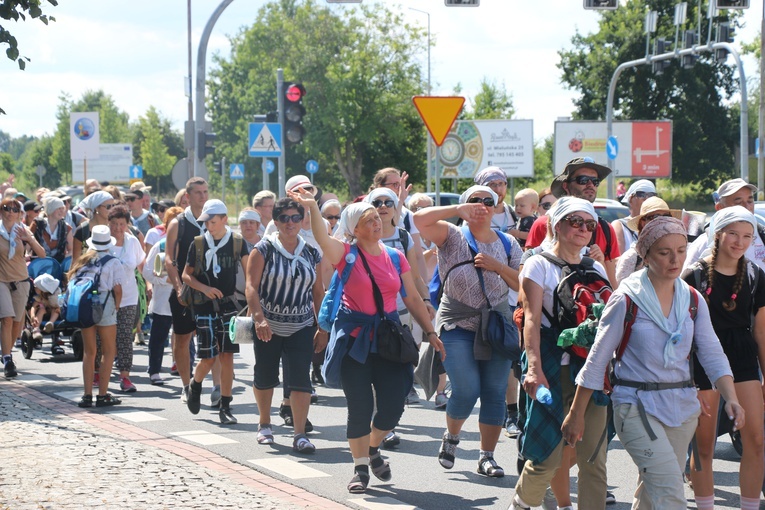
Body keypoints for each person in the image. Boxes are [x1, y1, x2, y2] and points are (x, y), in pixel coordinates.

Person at [560, 216, 745, 510]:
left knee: (652, 494)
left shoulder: (693, 299)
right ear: (645, 254)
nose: (675, 259)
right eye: (664, 252)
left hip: (683, 408)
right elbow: (598, 358)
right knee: (671, 490)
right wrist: (576, 413)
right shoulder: (625, 299)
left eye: (682, 250)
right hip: (635, 405)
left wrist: (731, 398)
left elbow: (711, 353)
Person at [298, 194, 444, 494]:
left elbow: (412, 298)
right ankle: (361, 467)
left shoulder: (395, 256)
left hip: (388, 339)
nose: (377, 222)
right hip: (354, 341)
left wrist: (430, 332)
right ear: (354, 228)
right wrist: (312, 206)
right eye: (368, 220)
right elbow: (321, 237)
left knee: (392, 407)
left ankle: (373, 446)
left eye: (377, 218)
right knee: (360, 407)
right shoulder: (345, 254)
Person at [414, 185, 522, 478]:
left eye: (488, 200)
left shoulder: (509, 243)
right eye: (475, 200)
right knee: (466, 388)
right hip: (457, 323)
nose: (482, 205)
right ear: (465, 205)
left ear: (496, 205)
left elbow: (521, 284)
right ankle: (451, 437)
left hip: (496, 325)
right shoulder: (451, 234)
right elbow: (419, 219)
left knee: (495, 392)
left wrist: (497, 266)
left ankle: (487, 457)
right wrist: (455, 211)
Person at [510, 197, 609, 510]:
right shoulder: (537, 264)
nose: (582, 229)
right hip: (551, 370)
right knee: (547, 455)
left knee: (593, 458)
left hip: (590, 372)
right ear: (556, 224)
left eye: (589, 224)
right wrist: (533, 369)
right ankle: (521, 505)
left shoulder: (595, 267)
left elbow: (611, 317)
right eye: (575, 222)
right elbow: (531, 321)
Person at [682, 207, 764, 510]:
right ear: (718, 233)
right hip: (703, 359)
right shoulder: (694, 274)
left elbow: (762, 332)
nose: (739, 241)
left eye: (747, 236)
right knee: (704, 445)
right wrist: (687, 380)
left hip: (743, 357)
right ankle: (705, 505)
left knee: (755, 440)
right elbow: (684, 330)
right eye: (733, 233)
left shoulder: (756, 275)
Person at [246, 197, 323, 452]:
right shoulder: (263, 249)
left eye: (295, 218)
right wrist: (259, 318)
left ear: (302, 221)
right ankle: (265, 423)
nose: (290, 223)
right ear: (276, 221)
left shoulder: (312, 252)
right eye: (284, 218)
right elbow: (251, 287)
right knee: (265, 375)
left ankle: (300, 434)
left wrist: (321, 326)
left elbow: (318, 292)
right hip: (269, 324)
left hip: (301, 325)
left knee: (301, 380)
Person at [183, 199, 249, 425]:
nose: (209, 226)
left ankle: (225, 406)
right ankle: (195, 384)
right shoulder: (199, 244)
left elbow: (250, 276)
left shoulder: (238, 242)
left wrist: (253, 304)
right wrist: (205, 288)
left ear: (224, 219)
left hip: (229, 305)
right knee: (209, 357)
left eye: (212, 221)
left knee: (227, 355)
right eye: (206, 222)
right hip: (203, 305)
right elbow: (186, 275)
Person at [525, 157, 620, 285]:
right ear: (566, 186)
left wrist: (599, 264)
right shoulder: (542, 224)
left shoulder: (606, 229)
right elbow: (525, 281)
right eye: (583, 180)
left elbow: (612, 286)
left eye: (595, 181)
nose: (590, 185)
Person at [165, 177, 209, 402]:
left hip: (209, 291)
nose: (203, 196)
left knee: (213, 340)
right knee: (182, 339)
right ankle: (186, 385)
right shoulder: (178, 223)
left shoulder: (215, 221)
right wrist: (179, 287)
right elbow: (169, 259)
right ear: (188, 196)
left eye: (205, 191)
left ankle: (210, 384)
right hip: (185, 290)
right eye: (198, 192)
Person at [70, 224, 124, 408]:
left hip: (85, 305)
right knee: (109, 351)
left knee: (89, 351)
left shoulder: (83, 260)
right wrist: (116, 306)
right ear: (108, 243)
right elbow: (117, 289)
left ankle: (86, 395)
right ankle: (102, 395)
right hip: (105, 304)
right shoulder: (113, 261)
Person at [0, 198, 45, 377]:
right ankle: (8, 359)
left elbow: (42, 254)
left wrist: (29, 240)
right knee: (7, 318)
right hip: (1, 281)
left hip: (21, 280)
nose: (10, 212)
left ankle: (6, 352)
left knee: (17, 325)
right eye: (6, 208)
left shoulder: (23, 230)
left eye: (14, 209)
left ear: (20, 214)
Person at [104, 205, 145, 393]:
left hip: (128, 296)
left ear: (127, 224)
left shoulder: (133, 242)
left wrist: (151, 282)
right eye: (114, 224)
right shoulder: (103, 242)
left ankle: (125, 377)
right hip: (106, 297)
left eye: (122, 224)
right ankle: (98, 372)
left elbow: (140, 265)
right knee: (103, 337)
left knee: (125, 337)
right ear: (108, 223)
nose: (118, 228)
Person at [142, 206, 184, 386]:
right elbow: (147, 272)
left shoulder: (190, 244)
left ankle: (184, 372)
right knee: (158, 337)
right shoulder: (159, 246)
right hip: (162, 301)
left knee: (185, 338)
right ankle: (154, 370)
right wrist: (164, 280)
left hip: (183, 299)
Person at [685, 178, 765, 272]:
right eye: (738, 202)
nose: (747, 207)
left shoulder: (762, 235)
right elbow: (683, 283)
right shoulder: (703, 243)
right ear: (720, 207)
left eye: (750, 201)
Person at [614, 197, 680, 287]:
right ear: (643, 223)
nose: (662, 221)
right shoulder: (632, 257)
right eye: (656, 217)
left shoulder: (676, 253)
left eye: (666, 216)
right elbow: (622, 295)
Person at [612, 179, 657, 255]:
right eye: (641, 194)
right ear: (630, 199)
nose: (646, 199)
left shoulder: (659, 225)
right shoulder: (620, 225)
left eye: (651, 195)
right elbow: (617, 260)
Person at [73, 191, 116, 260]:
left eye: (113, 206)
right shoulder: (82, 230)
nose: (112, 210)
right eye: (108, 207)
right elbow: (75, 261)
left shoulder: (115, 228)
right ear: (97, 208)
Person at [31, 197, 73, 263]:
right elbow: (27, 246)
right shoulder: (37, 224)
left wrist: (63, 259)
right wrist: (27, 255)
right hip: (38, 265)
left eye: (63, 208)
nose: (62, 211)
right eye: (59, 208)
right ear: (51, 209)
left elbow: (71, 250)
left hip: (58, 266)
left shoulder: (66, 228)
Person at [31, 274, 61, 338]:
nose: (34, 288)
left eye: (36, 287)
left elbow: (60, 305)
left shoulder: (54, 297)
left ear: (41, 289)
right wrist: (33, 316)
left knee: (55, 310)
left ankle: (50, 323)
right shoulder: (39, 298)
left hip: (54, 314)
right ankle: (36, 329)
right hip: (43, 314)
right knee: (42, 310)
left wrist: (59, 308)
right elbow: (33, 307)